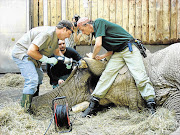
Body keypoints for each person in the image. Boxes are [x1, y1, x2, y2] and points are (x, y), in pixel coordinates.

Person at [77, 17, 156, 117]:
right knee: (106, 76)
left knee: (139, 75)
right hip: (118, 53)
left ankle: (151, 105)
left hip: (129, 48)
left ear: (87, 25)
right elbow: (112, 49)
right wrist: (102, 56)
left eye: (83, 30)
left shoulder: (98, 23)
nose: (83, 33)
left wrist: (92, 56)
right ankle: (93, 106)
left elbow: (98, 45)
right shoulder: (96, 33)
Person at [12, 20, 74, 113]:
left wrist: (67, 60)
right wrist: (48, 60)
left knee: (39, 76)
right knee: (32, 79)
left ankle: (33, 102)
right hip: (23, 53)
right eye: (69, 33)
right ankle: (24, 110)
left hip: (33, 57)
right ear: (64, 29)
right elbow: (31, 51)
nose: (69, 36)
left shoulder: (55, 36)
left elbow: (57, 52)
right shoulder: (47, 34)